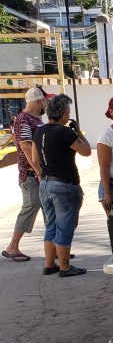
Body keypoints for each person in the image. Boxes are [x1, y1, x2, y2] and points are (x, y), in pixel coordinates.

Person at [31, 94, 91, 277]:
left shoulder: (39, 132)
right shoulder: (65, 132)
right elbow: (87, 151)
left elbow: (34, 158)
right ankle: (65, 266)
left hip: (45, 184)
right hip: (64, 184)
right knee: (65, 226)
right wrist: (78, 132)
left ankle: (49, 264)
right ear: (64, 115)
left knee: (51, 225)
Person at [2, 85, 52, 262]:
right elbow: (26, 147)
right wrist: (38, 171)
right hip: (31, 174)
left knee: (48, 208)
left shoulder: (35, 120)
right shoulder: (24, 119)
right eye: (45, 101)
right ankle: (13, 246)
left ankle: (55, 248)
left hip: (39, 172)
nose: (46, 104)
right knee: (31, 206)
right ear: (38, 102)